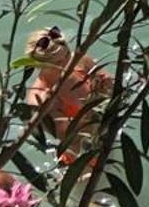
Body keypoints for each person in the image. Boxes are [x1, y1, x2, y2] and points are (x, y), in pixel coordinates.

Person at [26, 27, 111, 157]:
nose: (69, 63)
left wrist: (106, 86)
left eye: (67, 54)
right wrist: (94, 103)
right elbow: (71, 139)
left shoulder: (80, 61)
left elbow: (114, 92)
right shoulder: (41, 99)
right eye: (59, 62)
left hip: (107, 134)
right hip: (81, 157)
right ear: (40, 65)